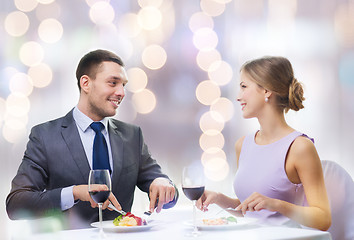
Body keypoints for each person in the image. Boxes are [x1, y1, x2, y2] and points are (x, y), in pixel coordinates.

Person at [6, 49, 178, 228]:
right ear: (86, 83)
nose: (121, 92)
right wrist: (74, 193)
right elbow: (16, 204)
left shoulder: (132, 136)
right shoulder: (45, 136)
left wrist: (163, 183)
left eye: (123, 85)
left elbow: (166, 192)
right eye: (113, 83)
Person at [196, 56, 331, 231]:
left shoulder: (300, 147)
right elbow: (252, 211)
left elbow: (323, 218)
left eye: (244, 87)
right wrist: (220, 198)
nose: (238, 97)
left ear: (267, 91)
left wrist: (277, 204)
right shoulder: (243, 145)